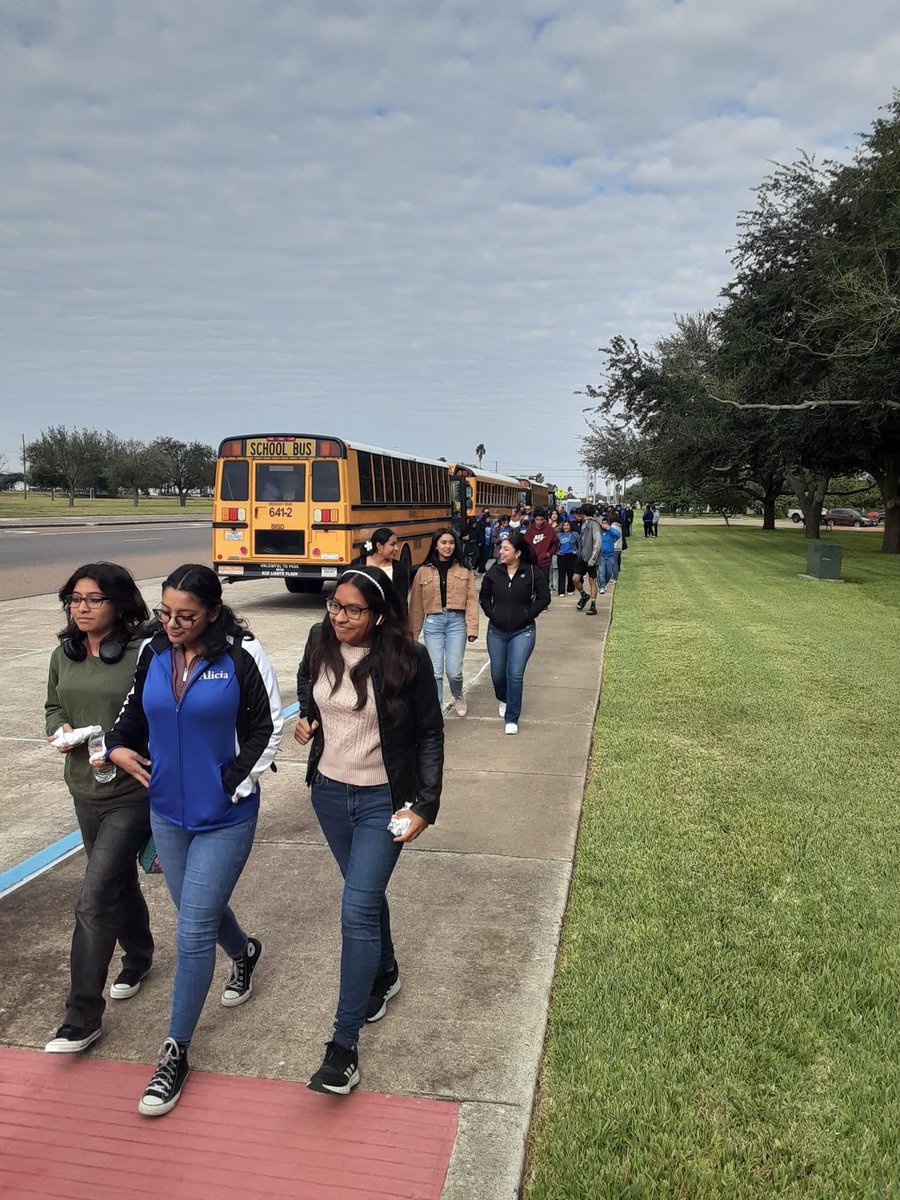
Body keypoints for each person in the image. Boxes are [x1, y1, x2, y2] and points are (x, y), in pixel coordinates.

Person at [105, 564, 284, 1117]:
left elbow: (269, 726)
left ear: (211, 611)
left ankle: (174, 1051)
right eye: (166, 613)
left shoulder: (242, 655)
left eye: (186, 615)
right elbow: (134, 713)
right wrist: (116, 745)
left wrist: (232, 782)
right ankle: (245, 951)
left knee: (191, 929)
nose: (173, 623)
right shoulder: (153, 651)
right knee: (194, 910)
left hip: (225, 815)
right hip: (167, 813)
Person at [294, 567, 443, 1095]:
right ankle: (385, 971)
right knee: (365, 891)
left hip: (385, 798)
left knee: (356, 907)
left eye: (353, 610)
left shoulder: (408, 658)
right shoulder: (320, 639)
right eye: (335, 606)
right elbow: (305, 685)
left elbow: (428, 732)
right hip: (330, 794)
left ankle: (343, 1047)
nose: (340, 617)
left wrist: (425, 803)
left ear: (378, 614)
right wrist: (309, 718)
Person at [43, 563, 154, 1055]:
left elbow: (159, 713)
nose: (81, 608)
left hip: (130, 793)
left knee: (93, 898)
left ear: (120, 604)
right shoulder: (62, 655)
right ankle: (141, 953)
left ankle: (81, 1017)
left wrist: (123, 745)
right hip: (83, 789)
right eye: (75, 599)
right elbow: (53, 705)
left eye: (94, 599)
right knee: (116, 881)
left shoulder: (139, 655)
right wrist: (61, 730)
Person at [479, 532, 550, 735]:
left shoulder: (532, 572)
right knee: (498, 674)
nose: (501, 552)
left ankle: (512, 718)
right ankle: (503, 697)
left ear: (517, 553)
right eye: (501, 548)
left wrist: (529, 614)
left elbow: (544, 598)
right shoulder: (494, 572)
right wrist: (492, 613)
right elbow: (484, 597)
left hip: (523, 631)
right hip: (497, 631)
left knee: (515, 674)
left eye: (506, 548)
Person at [409, 528, 478, 716]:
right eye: (443, 543)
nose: (447, 546)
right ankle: (436, 710)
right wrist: (413, 633)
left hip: (457, 623)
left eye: (451, 543)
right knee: (435, 672)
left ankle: (457, 694)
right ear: (436, 545)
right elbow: (416, 605)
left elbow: (471, 599)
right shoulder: (423, 572)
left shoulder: (465, 569)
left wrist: (472, 627)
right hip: (433, 624)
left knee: (454, 671)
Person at [359, 527, 410, 615]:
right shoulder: (359, 565)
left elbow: (402, 602)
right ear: (379, 546)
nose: (397, 548)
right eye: (392, 544)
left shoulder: (399, 569)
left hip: (389, 621)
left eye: (396, 544)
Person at [573, 504, 603, 616]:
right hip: (581, 556)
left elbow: (598, 542)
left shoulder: (594, 524)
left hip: (591, 557)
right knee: (575, 579)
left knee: (592, 581)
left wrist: (593, 559)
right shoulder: (584, 523)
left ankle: (593, 605)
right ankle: (584, 595)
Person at [523, 509, 559, 600]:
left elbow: (555, 543)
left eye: (541, 519)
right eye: (537, 519)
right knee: (532, 581)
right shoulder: (530, 530)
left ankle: (544, 601)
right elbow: (525, 544)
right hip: (533, 561)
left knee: (544, 581)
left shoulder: (549, 529)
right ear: (534, 519)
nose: (539, 522)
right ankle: (533, 598)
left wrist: (549, 553)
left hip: (545, 561)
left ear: (544, 519)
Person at [556, 520, 581, 598]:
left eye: (567, 525)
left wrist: (576, 552)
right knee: (561, 574)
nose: (566, 527)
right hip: (561, 556)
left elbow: (580, 545)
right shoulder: (558, 535)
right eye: (564, 525)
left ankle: (570, 589)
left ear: (570, 526)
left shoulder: (575, 534)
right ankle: (561, 591)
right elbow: (555, 545)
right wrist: (557, 552)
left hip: (571, 556)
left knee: (571, 573)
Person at [597, 517, 622, 596]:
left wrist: (609, 528)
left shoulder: (610, 532)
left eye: (606, 523)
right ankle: (602, 586)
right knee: (601, 572)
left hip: (610, 555)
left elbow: (618, 535)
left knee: (609, 572)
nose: (604, 525)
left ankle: (604, 583)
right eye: (603, 523)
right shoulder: (598, 532)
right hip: (601, 555)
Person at [475, 509, 494, 574]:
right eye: (488, 518)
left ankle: (481, 567)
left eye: (490, 518)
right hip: (483, 542)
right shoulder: (480, 524)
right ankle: (481, 568)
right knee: (483, 556)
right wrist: (479, 541)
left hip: (489, 542)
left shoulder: (490, 524)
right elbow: (478, 533)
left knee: (487, 556)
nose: (489, 520)